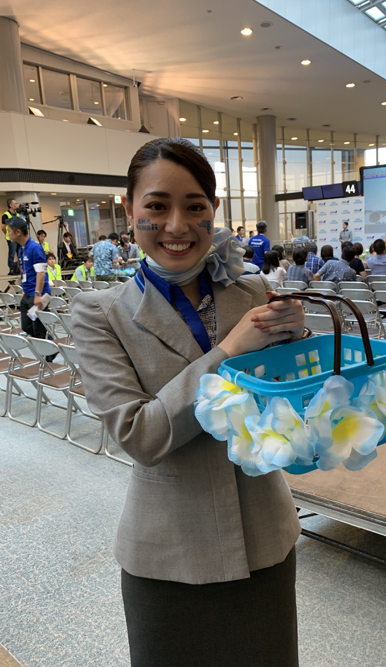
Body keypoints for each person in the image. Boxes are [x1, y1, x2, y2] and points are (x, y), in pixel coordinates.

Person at [71, 137, 304, 667]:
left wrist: (298, 340)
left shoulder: (251, 293)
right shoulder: (99, 313)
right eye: (156, 205)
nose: (177, 225)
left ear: (214, 211)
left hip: (263, 535)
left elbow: (291, 407)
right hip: (165, 553)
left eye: (195, 206)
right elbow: (141, 435)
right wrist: (227, 352)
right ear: (129, 210)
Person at [6, 216, 51, 340]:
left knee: (38, 330)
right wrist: (24, 290)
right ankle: (50, 345)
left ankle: (48, 354)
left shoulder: (34, 248)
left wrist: (37, 294)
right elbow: (25, 271)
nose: (8, 234)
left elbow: (41, 273)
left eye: (9, 231)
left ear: (18, 232)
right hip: (27, 293)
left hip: (37, 293)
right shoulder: (22, 248)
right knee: (26, 326)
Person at [2, 198, 21, 274]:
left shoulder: (17, 214)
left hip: (18, 237)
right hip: (11, 238)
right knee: (12, 254)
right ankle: (11, 269)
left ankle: (20, 268)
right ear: (10, 205)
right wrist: (8, 234)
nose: (17, 205)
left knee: (20, 253)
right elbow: (3, 227)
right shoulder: (6, 215)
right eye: (15, 203)